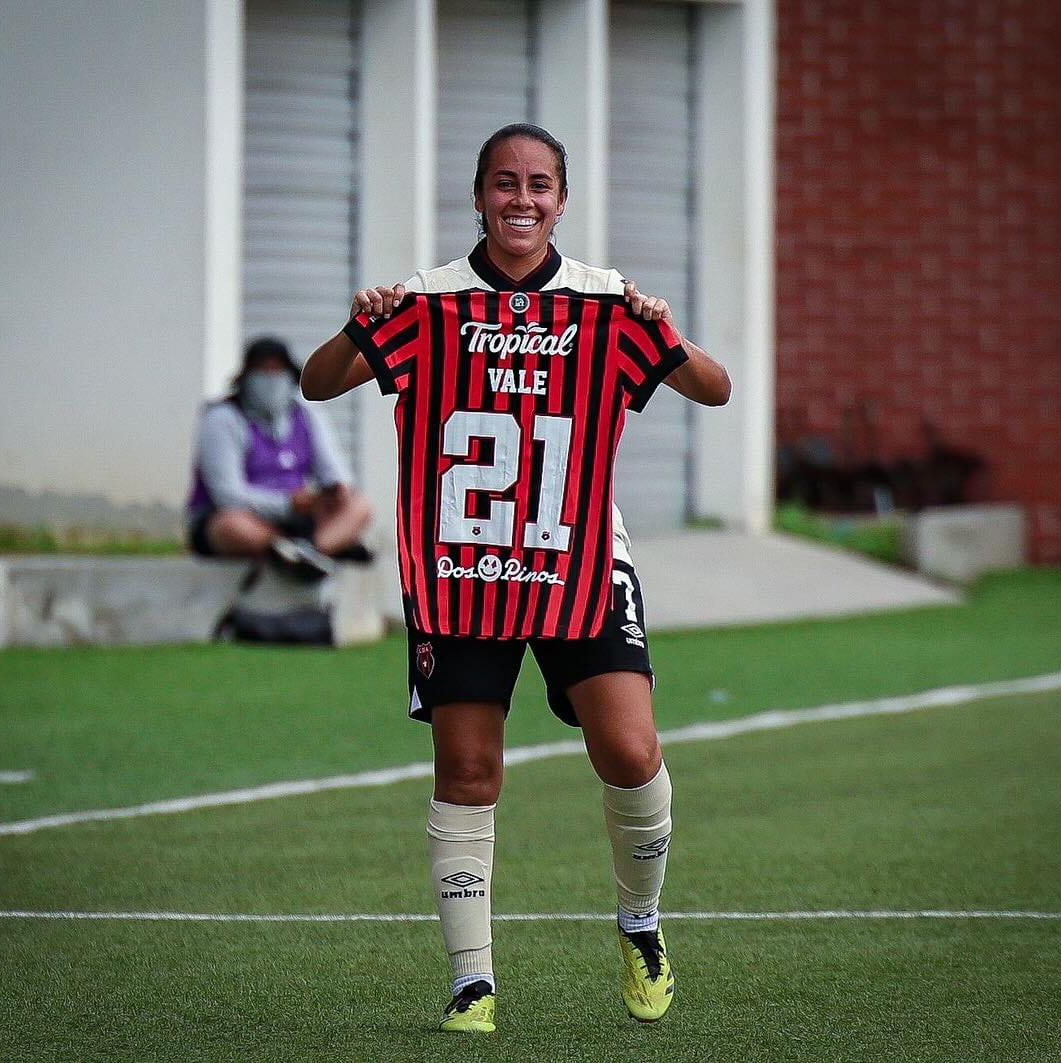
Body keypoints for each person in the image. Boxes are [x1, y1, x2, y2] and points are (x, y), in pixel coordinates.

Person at [303, 124, 731, 1032]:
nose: (522, 200)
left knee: (629, 749)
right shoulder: (425, 303)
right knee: (466, 765)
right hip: (464, 565)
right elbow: (316, 383)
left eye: (539, 184)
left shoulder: (602, 303)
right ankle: (472, 981)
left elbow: (714, 389)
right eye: (505, 183)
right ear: (478, 196)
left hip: (576, 558)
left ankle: (641, 923)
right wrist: (360, 319)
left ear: (562, 200)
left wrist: (664, 329)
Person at [186, 336, 373, 577]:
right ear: (246, 377)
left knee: (359, 507)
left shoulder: (306, 414)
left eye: (277, 371)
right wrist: (288, 503)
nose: (271, 381)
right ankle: (299, 549)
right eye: (262, 372)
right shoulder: (223, 418)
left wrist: (334, 492)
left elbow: (336, 474)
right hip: (243, 517)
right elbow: (227, 495)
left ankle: (307, 552)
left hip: (298, 520)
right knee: (231, 527)